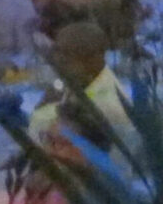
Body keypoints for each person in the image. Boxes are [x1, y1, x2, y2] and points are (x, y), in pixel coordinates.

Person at [29, 19, 141, 166]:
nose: (57, 62)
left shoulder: (105, 103)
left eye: (66, 57)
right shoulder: (80, 83)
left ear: (93, 59)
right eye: (57, 53)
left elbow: (42, 136)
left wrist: (46, 103)